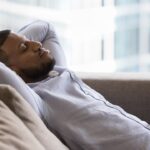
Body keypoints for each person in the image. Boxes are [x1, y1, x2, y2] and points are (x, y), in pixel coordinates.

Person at [0, 20, 150, 150]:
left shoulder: (57, 72)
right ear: (12, 71)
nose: (37, 44)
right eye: (24, 48)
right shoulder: (38, 102)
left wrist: (18, 43)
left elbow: (45, 28)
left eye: (29, 40)